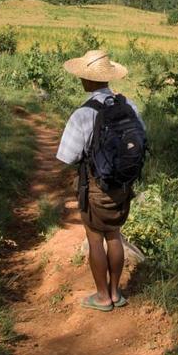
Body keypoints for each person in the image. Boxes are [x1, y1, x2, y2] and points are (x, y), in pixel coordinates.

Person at [56, 49, 144, 312]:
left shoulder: (83, 114)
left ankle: (103, 296)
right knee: (114, 234)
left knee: (95, 238)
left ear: (88, 80)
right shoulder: (129, 106)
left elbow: (67, 156)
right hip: (123, 185)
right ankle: (117, 292)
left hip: (95, 186)